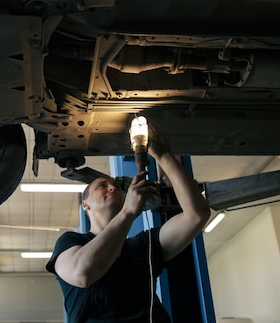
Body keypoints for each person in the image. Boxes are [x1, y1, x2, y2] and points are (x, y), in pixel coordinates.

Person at [45, 121, 211, 323]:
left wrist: (164, 156)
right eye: (102, 186)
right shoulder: (71, 242)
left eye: (115, 185)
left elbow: (197, 215)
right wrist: (128, 212)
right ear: (85, 204)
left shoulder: (144, 246)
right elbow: (82, 273)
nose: (112, 188)